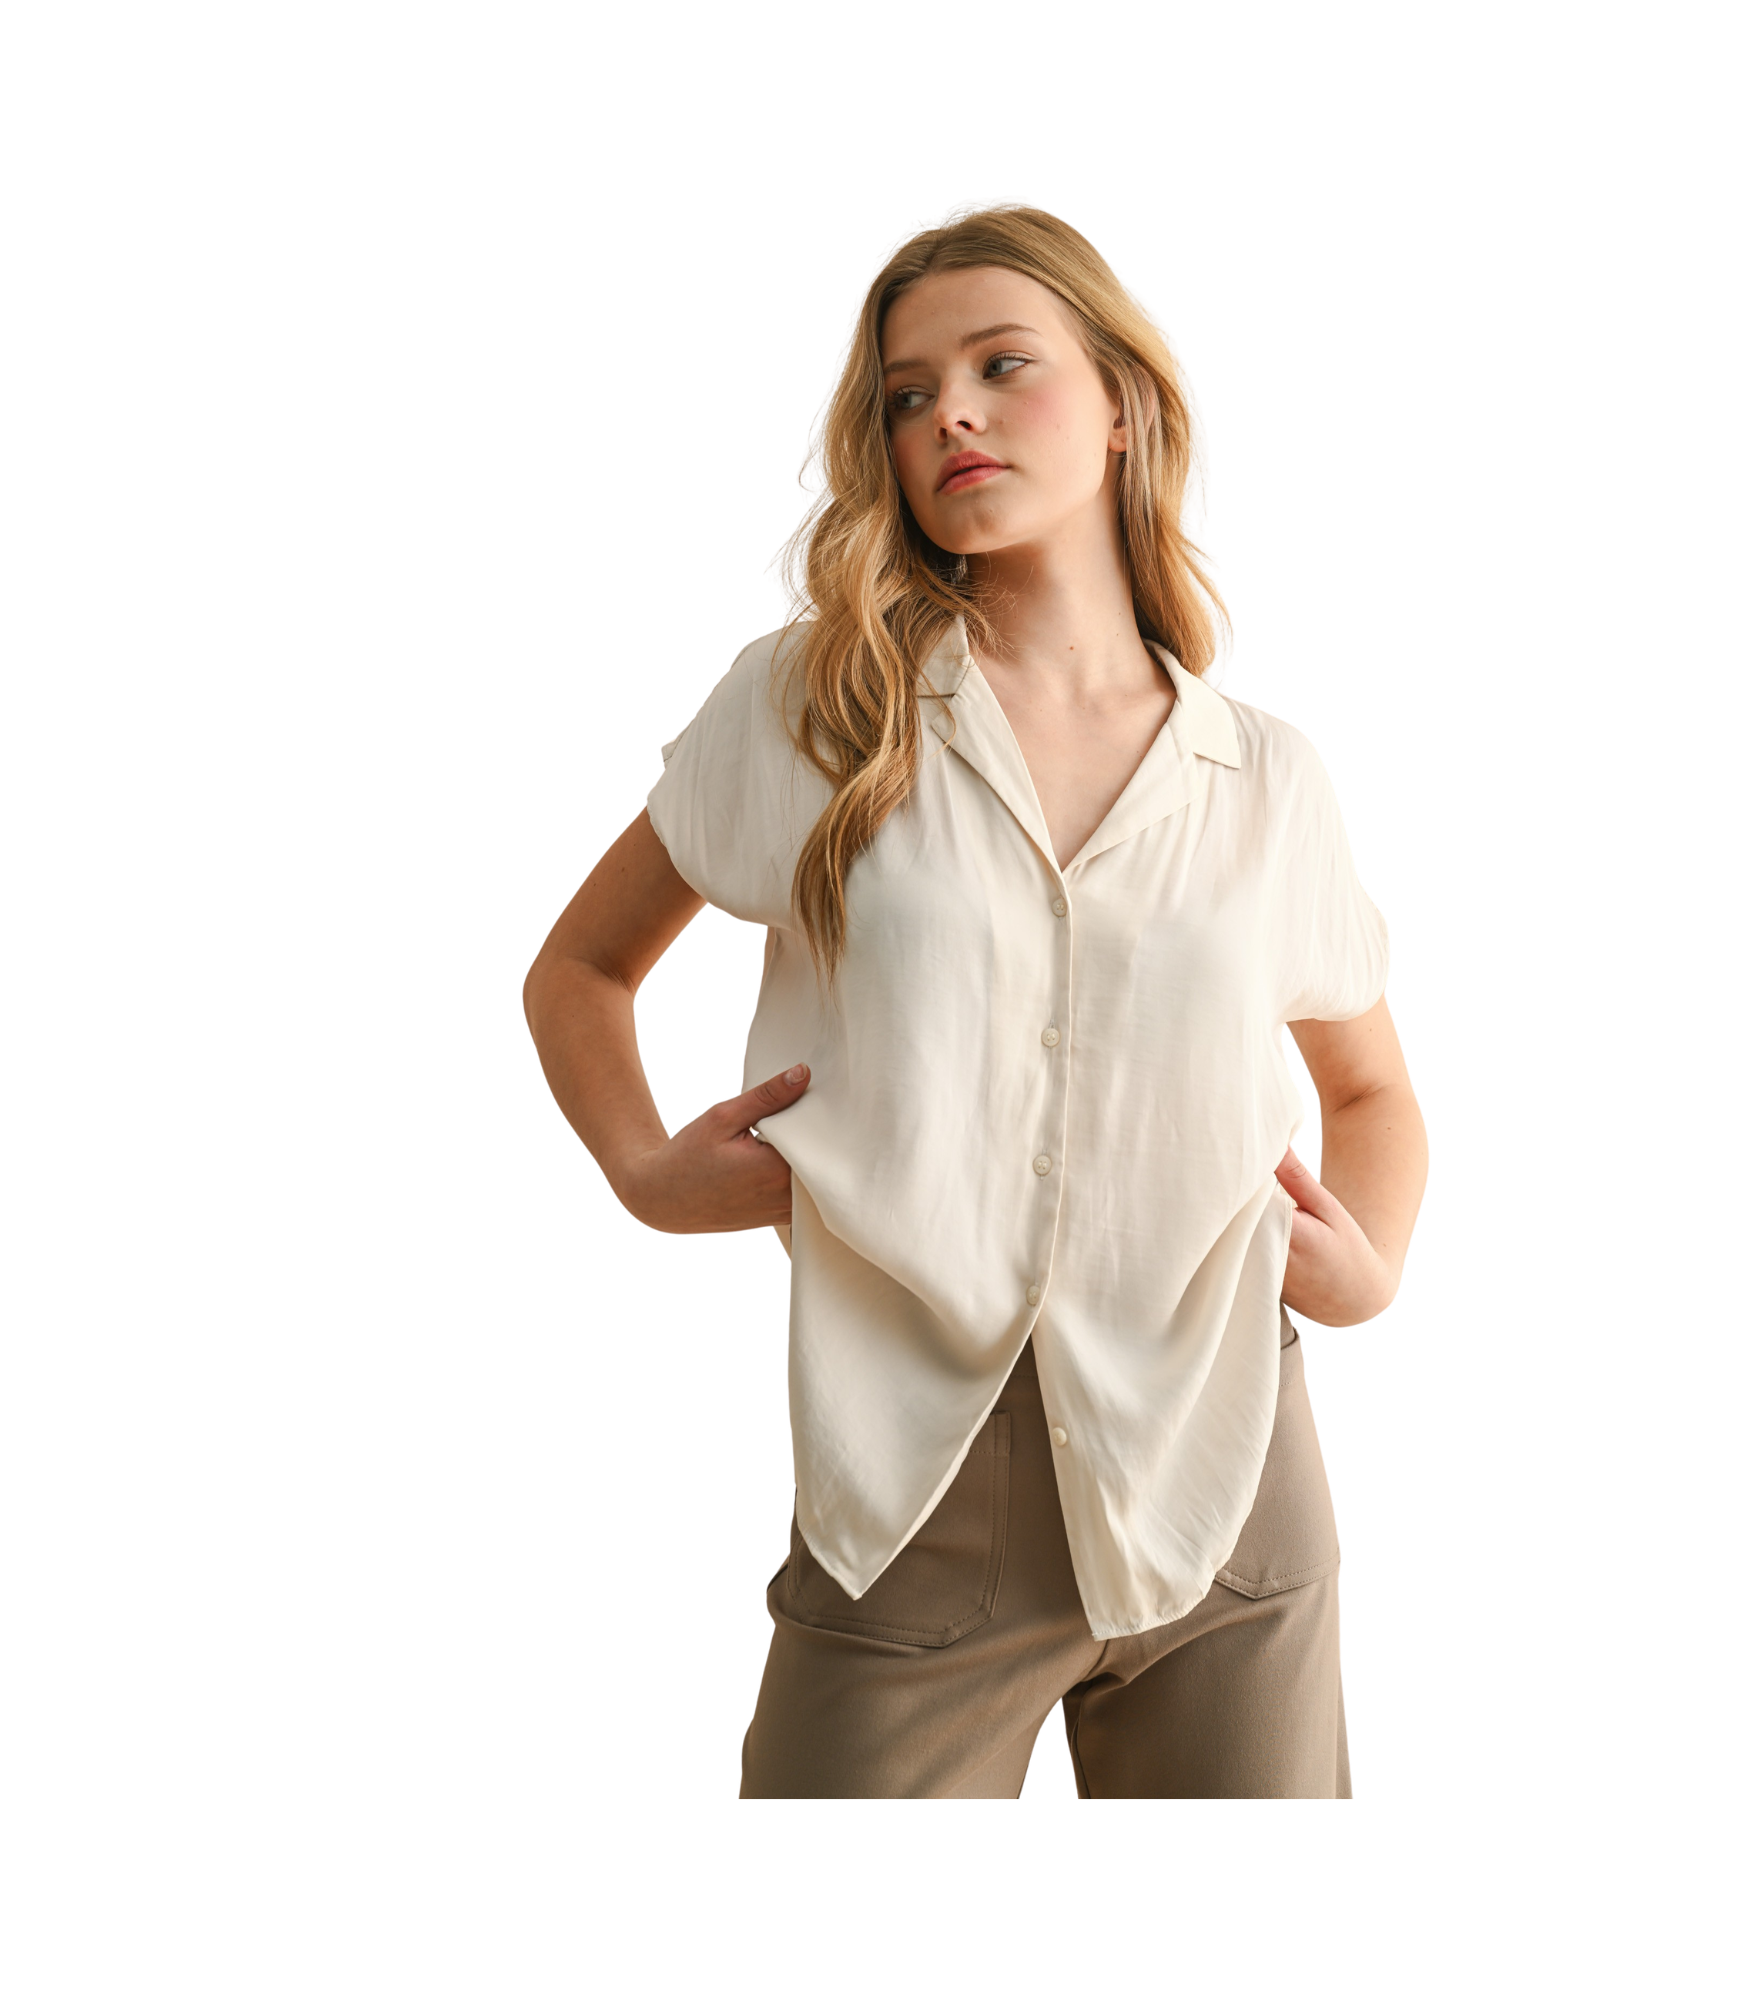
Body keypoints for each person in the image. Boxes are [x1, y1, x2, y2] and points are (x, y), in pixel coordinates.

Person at [522, 206, 1428, 1798]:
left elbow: (1371, 1089)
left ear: (1124, 402)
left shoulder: (1264, 776)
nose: (949, 412)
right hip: (911, 1493)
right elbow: (581, 970)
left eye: (1003, 366)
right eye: (906, 392)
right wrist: (645, 1171)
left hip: (1231, 1483)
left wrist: (1368, 1270)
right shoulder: (816, 709)